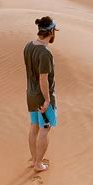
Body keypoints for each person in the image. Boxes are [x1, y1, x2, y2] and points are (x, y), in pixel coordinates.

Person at [23, 16, 59, 172]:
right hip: (41, 97)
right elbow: (43, 79)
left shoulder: (28, 46)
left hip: (30, 95)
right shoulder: (45, 53)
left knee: (34, 127)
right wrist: (47, 100)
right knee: (45, 128)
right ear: (51, 32)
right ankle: (38, 163)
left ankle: (34, 160)